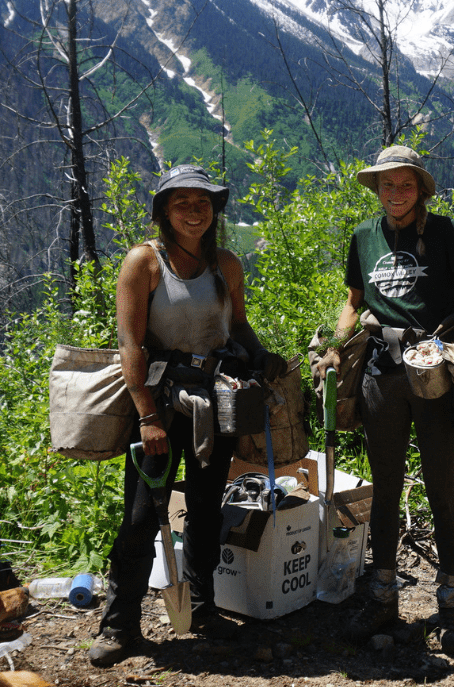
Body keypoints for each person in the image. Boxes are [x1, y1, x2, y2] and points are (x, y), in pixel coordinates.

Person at [318, 145, 454, 657]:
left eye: (405, 185)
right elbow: (353, 303)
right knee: (384, 489)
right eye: (386, 185)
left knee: (441, 488)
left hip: (435, 371)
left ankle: (453, 603)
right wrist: (330, 348)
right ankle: (383, 596)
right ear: (376, 189)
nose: (395, 193)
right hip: (380, 373)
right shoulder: (364, 237)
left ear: (420, 190)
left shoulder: (445, 232)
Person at [89, 164, 286, 667]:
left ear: (214, 211)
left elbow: (237, 326)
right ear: (163, 212)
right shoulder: (145, 263)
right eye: (182, 203)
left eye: (203, 203)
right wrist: (146, 416)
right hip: (162, 402)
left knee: (204, 509)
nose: (194, 212)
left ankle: (202, 608)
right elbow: (130, 343)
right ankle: (119, 626)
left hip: (216, 399)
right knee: (140, 517)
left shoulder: (226, 264)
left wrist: (261, 357)